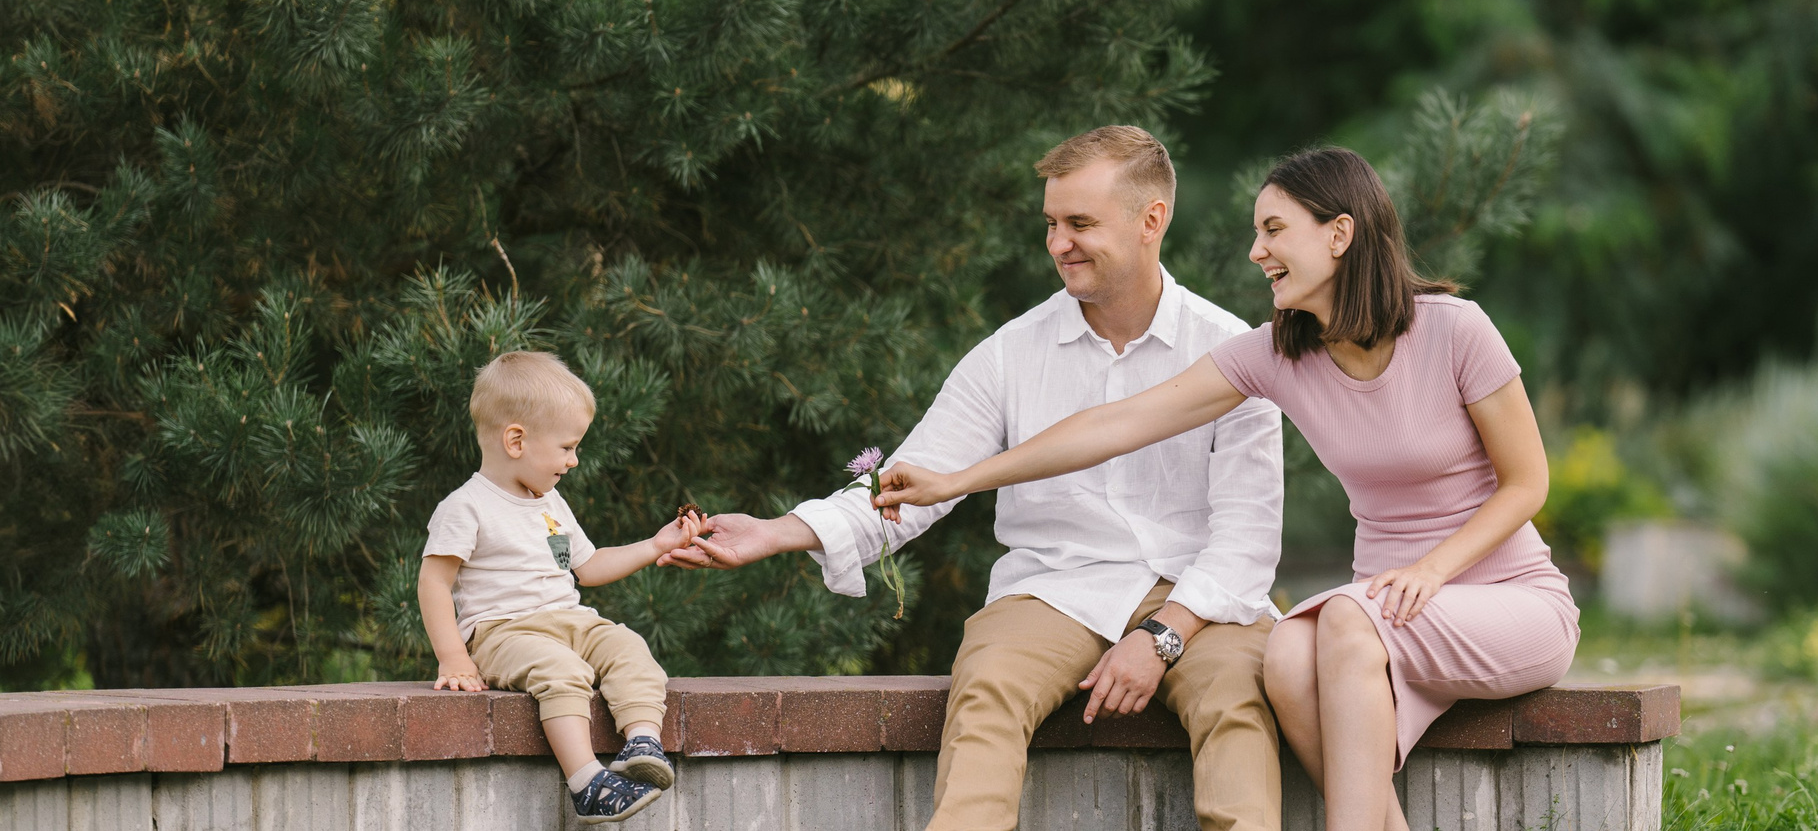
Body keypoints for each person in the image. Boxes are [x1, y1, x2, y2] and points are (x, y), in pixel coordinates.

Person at [876, 147, 1578, 831]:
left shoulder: (1456, 330)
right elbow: (1114, 424)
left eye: (1273, 230)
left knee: (1332, 622)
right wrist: (964, 478)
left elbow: (1527, 483)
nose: (1255, 250)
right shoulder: (1276, 355)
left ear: (1339, 234)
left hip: (1499, 597)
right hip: (1382, 613)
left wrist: (1431, 571)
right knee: (1286, 658)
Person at [661, 126, 1290, 831]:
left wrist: (1163, 634)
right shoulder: (1009, 353)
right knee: (986, 685)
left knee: (1238, 698)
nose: (1058, 244)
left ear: (1153, 220)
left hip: (1199, 597)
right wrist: (780, 532)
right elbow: (920, 479)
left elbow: (1248, 539)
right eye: (1051, 224)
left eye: (1081, 224)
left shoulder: (1234, 350)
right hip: (1053, 586)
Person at [418, 351, 707, 824]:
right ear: (516, 440)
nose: (574, 461)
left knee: (628, 645)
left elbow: (588, 567)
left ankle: (641, 741)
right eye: (568, 447)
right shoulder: (466, 507)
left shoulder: (551, 502)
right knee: (562, 671)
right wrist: (453, 656)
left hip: (570, 621)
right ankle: (586, 782)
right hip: (503, 632)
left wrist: (657, 544)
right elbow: (433, 582)